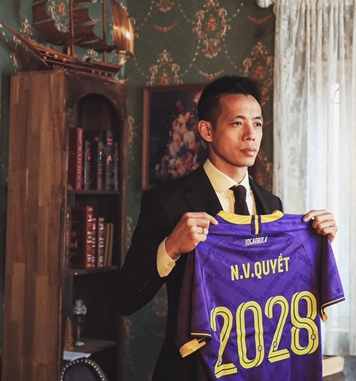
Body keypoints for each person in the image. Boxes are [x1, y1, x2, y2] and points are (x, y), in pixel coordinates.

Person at [115, 76, 339, 380]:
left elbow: (279, 290)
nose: (251, 135)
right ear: (207, 130)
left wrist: (314, 245)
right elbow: (126, 298)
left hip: (258, 369)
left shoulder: (271, 204)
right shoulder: (167, 202)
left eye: (257, 124)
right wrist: (170, 248)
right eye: (237, 123)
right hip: (191, 372)